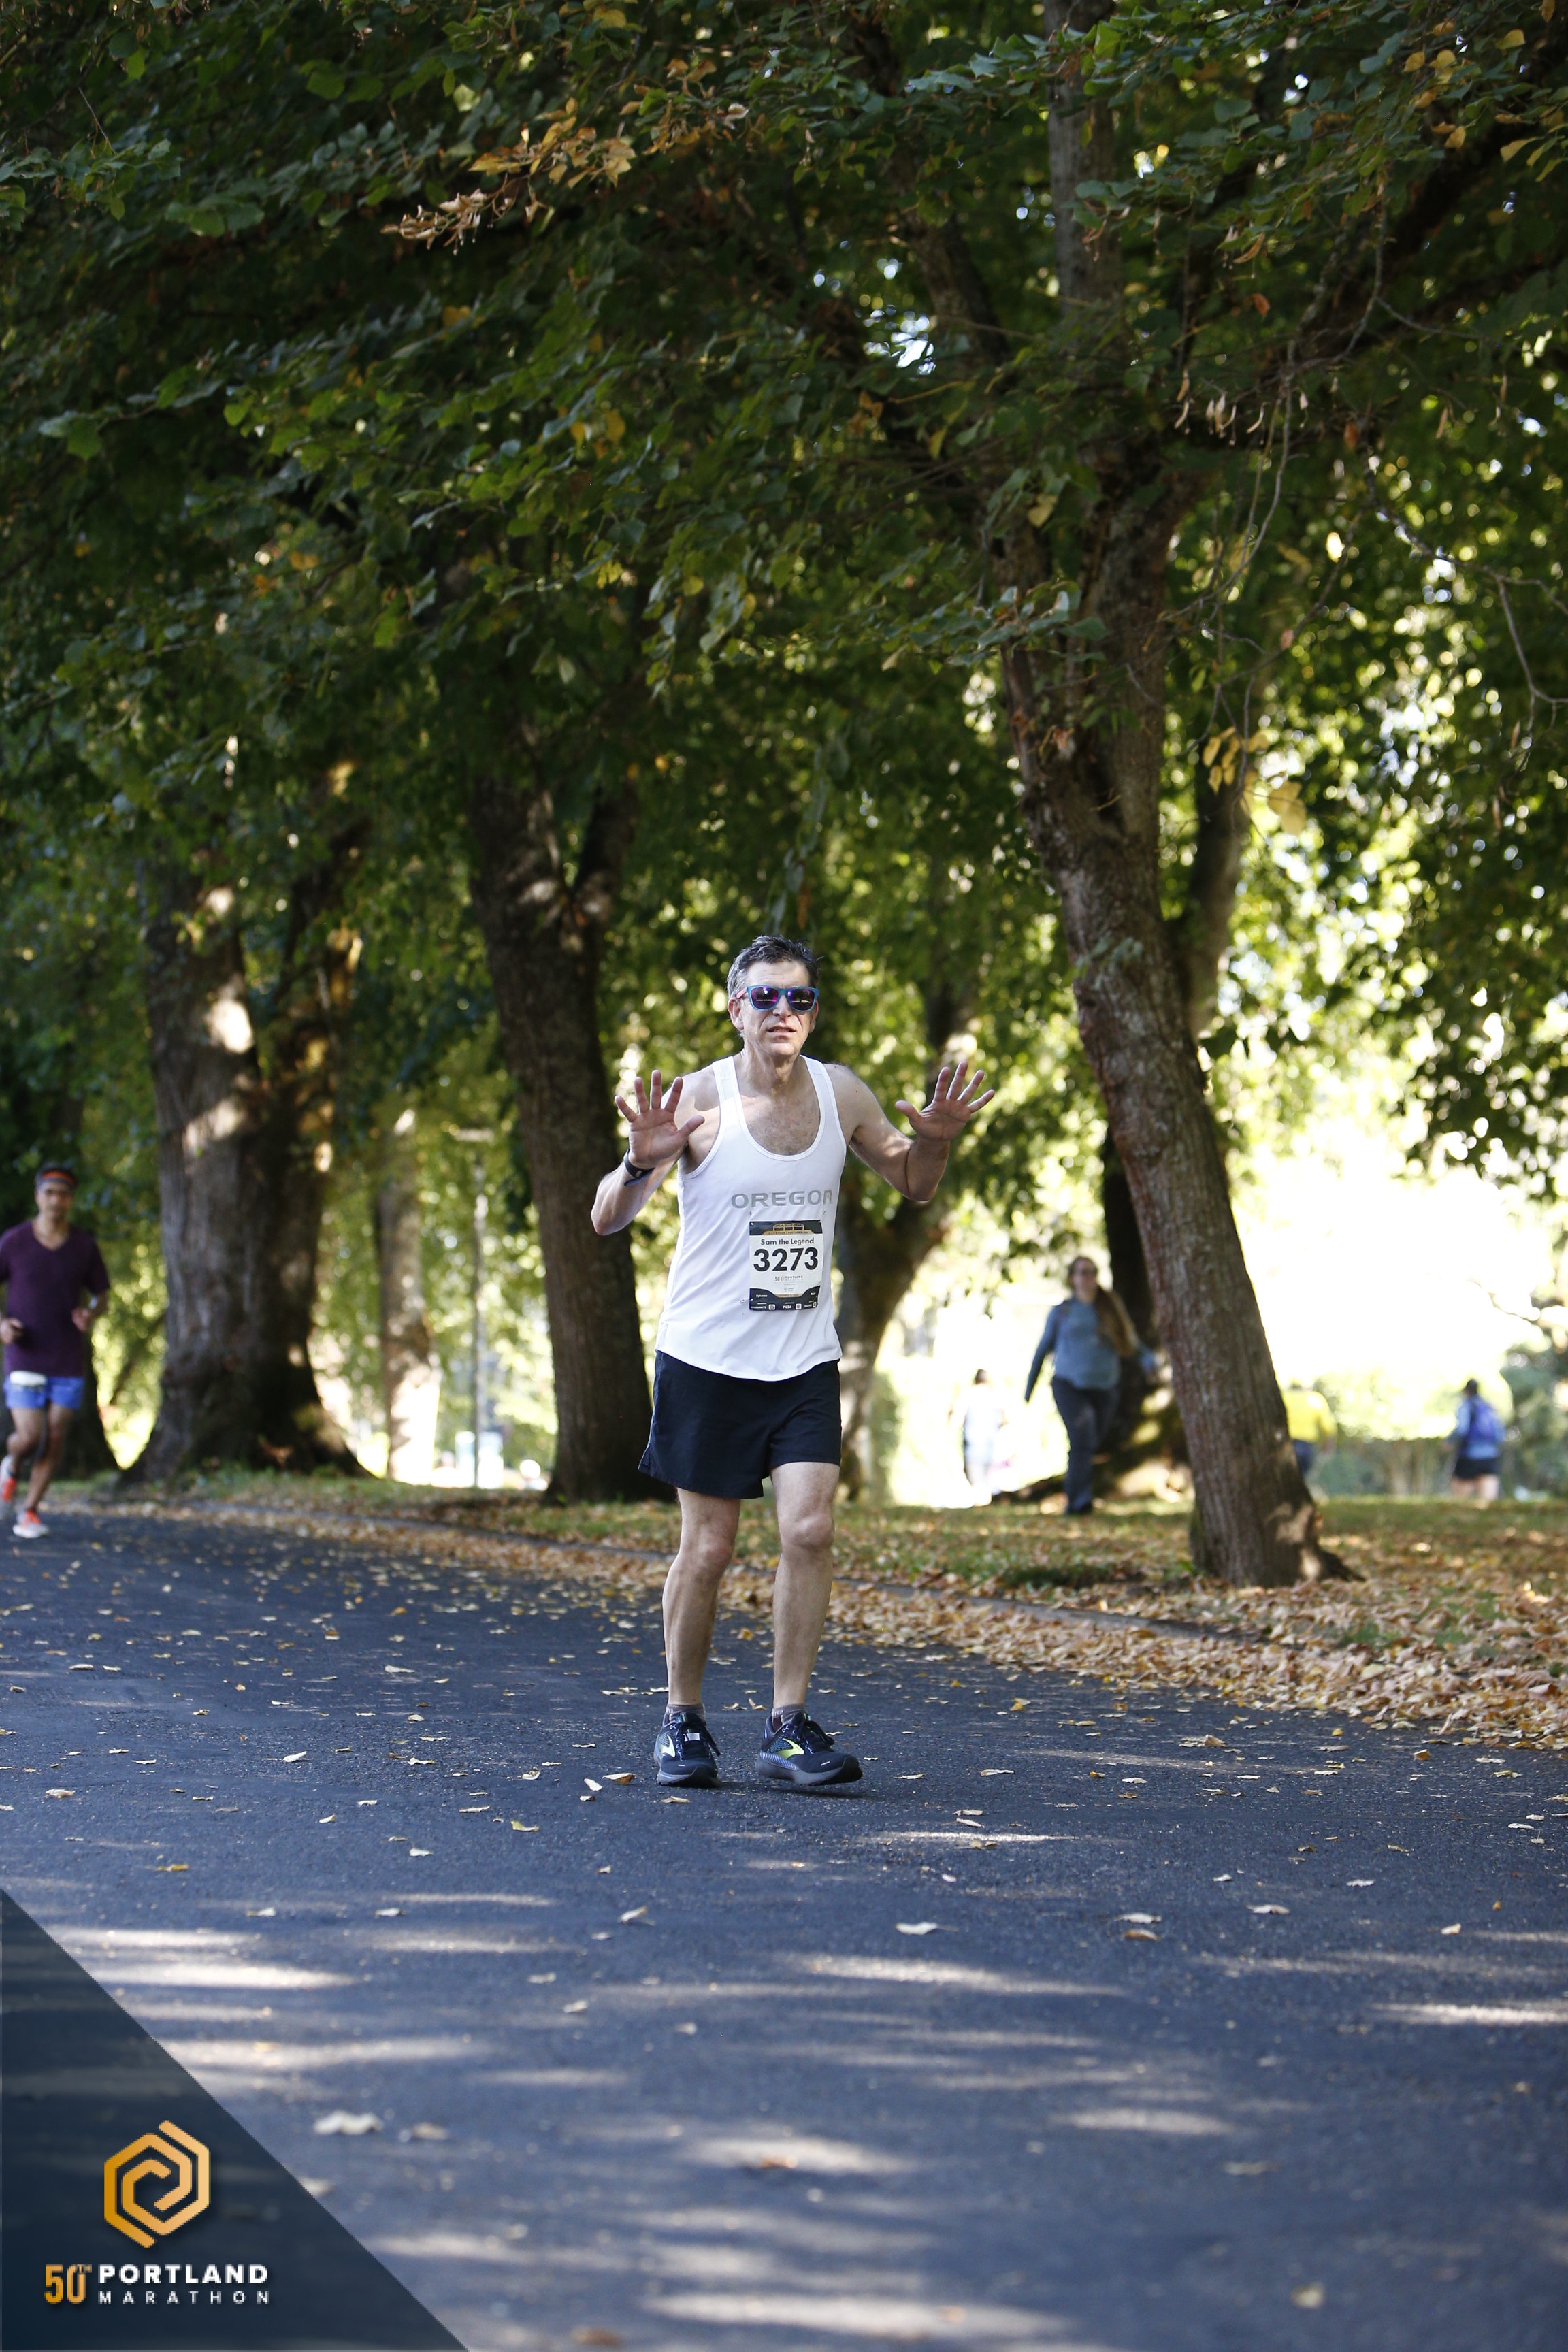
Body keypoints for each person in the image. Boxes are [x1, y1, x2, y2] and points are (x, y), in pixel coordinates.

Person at [591, 934, 992, 1791]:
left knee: (809, 1530)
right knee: (709, 1547)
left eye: (799, 998)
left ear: (813, 1013)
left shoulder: (841, 1092)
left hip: (802, 1358)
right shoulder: (698, 1099)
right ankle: (682, 1720)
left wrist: (937, 1140)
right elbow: (605, 1217)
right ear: (734, 1007)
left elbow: (914, 1181)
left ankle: (786, 1725)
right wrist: (638, 1160)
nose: (783, 1011)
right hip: (706, 1359)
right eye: (765, 996)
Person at [0, 1165, 110, 1539]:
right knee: (30, 1436)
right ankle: (12, 1463)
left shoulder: (83, 1245)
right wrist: (2, 1324)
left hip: (66, 1356)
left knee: (57, 1435)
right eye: (49, 1193)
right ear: (38, 1197)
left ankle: (30, 1510)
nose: (55, 1200)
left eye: (63, 1194)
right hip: (25, 1353)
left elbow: (102, 1296)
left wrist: (90, 1313)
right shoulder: (14, 1241)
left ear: (71, 1200)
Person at [1024, 1254, 1143, 1516]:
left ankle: (1078, 1495)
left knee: (1088, 1443)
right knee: (1082, 1437)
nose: (1088, 1277)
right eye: (1082, 1272)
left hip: (1105, 1388)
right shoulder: (1062, 1312)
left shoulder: (1110, 1309)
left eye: (1092, 1272)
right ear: (1072, 1278)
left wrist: (1148, 1361)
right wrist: (1029, 1388)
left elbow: (1131, 1342)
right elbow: (1043, 1348)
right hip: (1068, 1385)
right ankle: (1079, 1500)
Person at [1450, 1378, 1505, 1501]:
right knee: (1488, 1501)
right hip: (1490, 1457)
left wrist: (1449, 1442)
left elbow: (1461, 1429)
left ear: (1466, 1391)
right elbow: (1500, 1434)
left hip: (1469, 1456)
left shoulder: (1465, 1406)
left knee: (1459, 1500)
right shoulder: (1488, 1407)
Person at [960, 1369, 1007, 1504]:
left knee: (979, 1488)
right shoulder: (995, 1397)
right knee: (984, 1486)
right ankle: (985, 1509)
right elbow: (1005, 1420)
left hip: (973, 1450)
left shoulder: (968, 1396)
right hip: (990, 1450)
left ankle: (982, 1511)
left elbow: (955, 1419)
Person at [1281, 1382, 1337, 1481]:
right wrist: (1328, 1443)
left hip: (1285, 1442)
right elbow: (1328, 1426)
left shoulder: (1284, 1396)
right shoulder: (1315, 1399)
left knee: (1284, 1476)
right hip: (1306, 1445)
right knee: (1302, 1476)